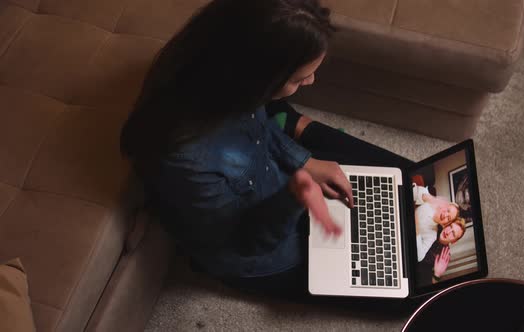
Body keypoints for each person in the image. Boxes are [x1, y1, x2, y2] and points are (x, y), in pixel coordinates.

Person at [120, 0, 413, 300]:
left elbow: (260, 131)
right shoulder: (186, 159)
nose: (312, 81)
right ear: (256, 78)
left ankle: (294, 123)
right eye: (299, 79)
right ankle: (296, 123)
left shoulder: (224, 79)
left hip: (273, 173)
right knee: (413, 291)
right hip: (257, 248)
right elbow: (243, 242)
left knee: (409, 178)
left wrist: (305, 161)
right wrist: (295, 195)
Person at [413, 184, 460, 261]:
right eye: (448, 210)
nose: (445, 215)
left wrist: (416, 227)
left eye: (448, 218)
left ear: (445, 224)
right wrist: (428, 198)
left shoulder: (432, 235)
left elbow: (419, 257)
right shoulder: (430, 201)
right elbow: (411, 191)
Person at [416, 219, 467, 286]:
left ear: (453, 241)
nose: (448, 232)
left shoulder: (443, 256)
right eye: (450, 227)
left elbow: (424, 282)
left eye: (453, 234)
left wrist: (437, 274)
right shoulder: (435, 225)